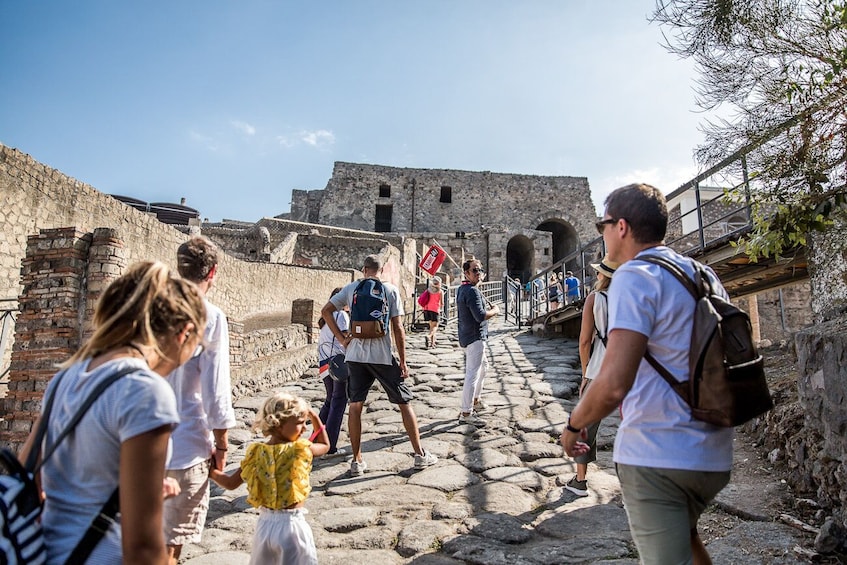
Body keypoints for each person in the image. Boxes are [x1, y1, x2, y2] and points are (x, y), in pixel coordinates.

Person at [562, 183, 733, 565]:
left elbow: (614, 382)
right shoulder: (702, 273)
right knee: (687, 541)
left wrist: (573, 426)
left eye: (601, 225)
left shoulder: (634, 276)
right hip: (713, 452)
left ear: (620, 227)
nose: (601, 233)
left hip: (659, 453)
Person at [20, 261, 206, 564]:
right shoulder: (146, 392)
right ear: (184, 333)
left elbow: (32, 479)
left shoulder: (66, 377)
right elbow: (142, 548)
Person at [321, 255, 438, 477]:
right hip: (382, 356)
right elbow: (398, 328)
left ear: (364, 269)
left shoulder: (351, 288)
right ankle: (420, 454)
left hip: (354, 356)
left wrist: (342, 338)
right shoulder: (390, 290)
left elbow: (325, 311)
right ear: (381, 270)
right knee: (404, 403)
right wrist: (402, 360)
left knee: (355, 407)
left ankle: (356, 461)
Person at [164, 236, 237, 565]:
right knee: (169, 546)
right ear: (214, 272)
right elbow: (215, 387)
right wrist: (221, 443)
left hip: (138, 440)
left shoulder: (151, 307)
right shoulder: (210, 316)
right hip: (185, 445)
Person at [210, 392, 329, 565]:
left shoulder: (255, 453)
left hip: (264, 527)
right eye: (300, 423)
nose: (304, 429)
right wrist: (315, 417)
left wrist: (210, 471)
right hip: (292, 526)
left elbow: (229, 484)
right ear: (278, 424)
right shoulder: (300, 449)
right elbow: (325, 445)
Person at [564, 255, 619, 497]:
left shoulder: (595, 299)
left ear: (603, 276)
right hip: (630, 370)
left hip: (600, 370)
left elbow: (585, 340)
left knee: (585, 425)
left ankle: (580, 480)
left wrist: (585, 374)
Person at [456, 259, 500, 426]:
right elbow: (480, 316)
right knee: (472, 374)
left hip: (469, 336)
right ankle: (466, 412)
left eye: (480, 270)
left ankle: (475, 400)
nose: (478, 273)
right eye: (474, 270)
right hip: (475, 337)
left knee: (484, 367)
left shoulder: (465, 289)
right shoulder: (472, 291)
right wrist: (495, 311)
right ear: (466, 273)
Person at [317, 287, 349, 456]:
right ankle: (330, 446)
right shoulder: (341, 315)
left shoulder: (323, 319)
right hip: (337, 364)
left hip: (323, 364)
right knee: (338, 403)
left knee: (329, 402)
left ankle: (316, 439)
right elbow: (344, 339)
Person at [420, 276, 444, 349]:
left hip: (427, 309)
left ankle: (432, 343)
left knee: (431, 326)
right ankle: (428, 336)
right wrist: (441, 308)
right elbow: (442, 303)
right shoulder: (440, 292)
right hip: (435, 310)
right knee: (435, 326)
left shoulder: (428, 290)